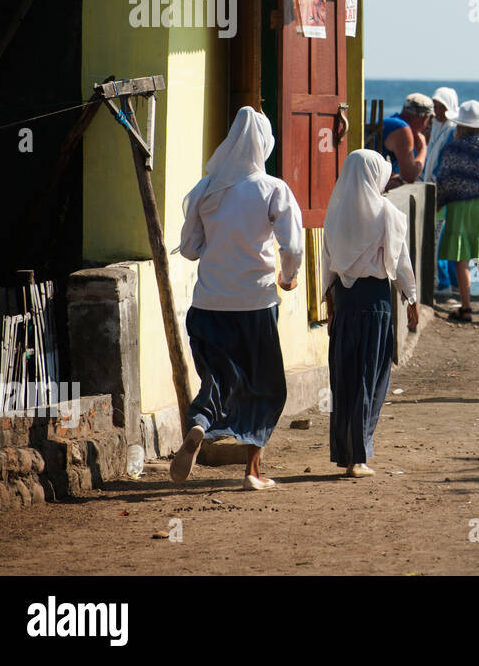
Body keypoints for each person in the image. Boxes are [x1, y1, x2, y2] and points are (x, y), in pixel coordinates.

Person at [172, 106, 303, 490]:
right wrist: (288, 277)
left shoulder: (205, 189)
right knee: (264, 385)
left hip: (208, 304)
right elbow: (292, 245)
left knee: (217, 379)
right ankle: (252, 472)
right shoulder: (273, 189)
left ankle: (199, 423)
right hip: (255, 305)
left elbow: (190, 248)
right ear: (263, 145)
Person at [322, 150, 417, 478]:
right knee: (371, 377)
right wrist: (412, 298)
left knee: (345, 380)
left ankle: (346, 453)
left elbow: (328, 266)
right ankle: (359, 458)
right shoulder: (388, 214)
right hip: (377, 305)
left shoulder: (335, 214)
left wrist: (330, 306)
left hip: (345, 303)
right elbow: (400, 261)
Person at [436, 100, 479, 323]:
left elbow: (445, 180)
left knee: (461, 257)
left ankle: (466, 308)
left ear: (461, 125)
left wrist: (440, 201)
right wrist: (478, 188)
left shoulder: (454, 148)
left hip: (458, 205)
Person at [424, 87, 459, 298]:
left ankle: (445, 283)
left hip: (443, 194)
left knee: (440, 239)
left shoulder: (452, 131)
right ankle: (450, 282)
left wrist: (439, 189)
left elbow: (445, 164)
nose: (437, 111)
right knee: (444, 238)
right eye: (435, 106)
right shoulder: (437, 128)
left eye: (441, 107)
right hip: (434, 190)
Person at [380, 93, 433, 187]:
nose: (429, 125)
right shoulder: (402, 129)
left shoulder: (391, 122)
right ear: (425, 118)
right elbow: (410, 176)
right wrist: (423, 148)